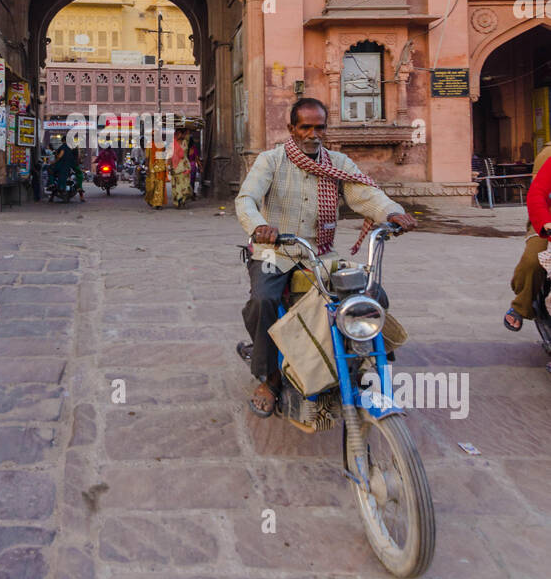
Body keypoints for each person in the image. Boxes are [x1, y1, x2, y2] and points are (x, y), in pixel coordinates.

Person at [235, 98, 416, 415]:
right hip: (274, 251)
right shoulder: (271, 161)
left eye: (319, 127)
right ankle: (270, 377)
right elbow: (247, 197)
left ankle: (355, 361)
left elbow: (366, 194)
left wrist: (392, 213)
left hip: (319, 253)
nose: (312, 133)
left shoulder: (338, 163)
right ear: (292, 128)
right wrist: (260, 226)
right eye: (305, 126)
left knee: (372, 294)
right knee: (263, 299)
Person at [504, 141, 551, 330]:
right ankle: (521, 304)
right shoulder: (548, 155)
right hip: (546, 220)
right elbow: (537, 193)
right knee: (534, 260)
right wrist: (545, 223)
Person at [144, 138, 168, 208]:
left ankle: (158, 203)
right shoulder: (149, 145)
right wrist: (146, 168)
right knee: (151, 186)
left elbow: (164, 156)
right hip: (151, 168)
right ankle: (149, 199)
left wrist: (166, 166)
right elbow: (147, 158)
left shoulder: (162, 145)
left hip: (161, 168)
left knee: (160, 186)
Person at [171, 131, 192, 207]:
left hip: (184, 166)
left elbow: (188, 135)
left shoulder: (185, 142)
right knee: (176, 184)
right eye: (178, 133)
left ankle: (183, 199)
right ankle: (178, 200)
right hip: (175, 167)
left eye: (181, 133)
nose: (180, 135)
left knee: (185, 183)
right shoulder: (172, 144)